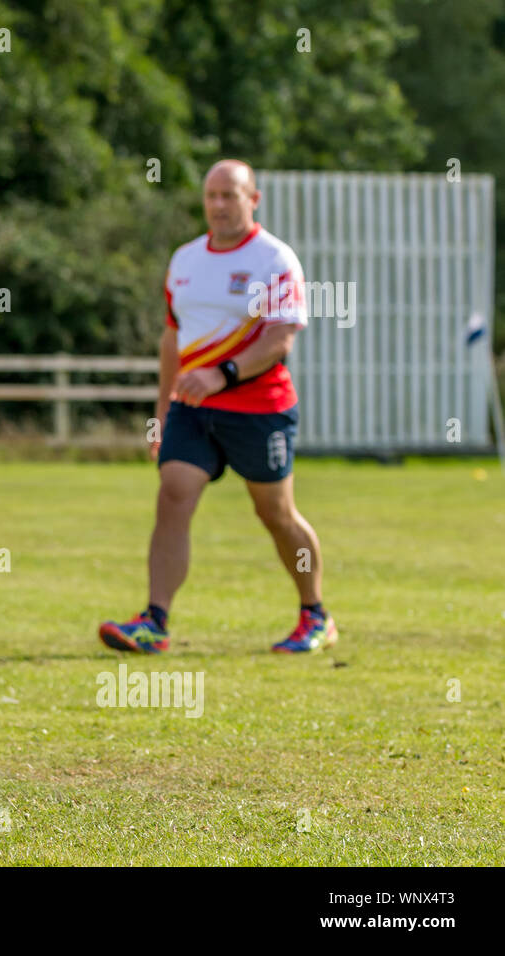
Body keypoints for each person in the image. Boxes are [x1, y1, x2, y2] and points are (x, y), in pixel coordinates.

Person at [99, 159, 337, 654]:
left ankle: (315, 615)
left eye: (230, 195)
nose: (220, 205)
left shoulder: (275, 260)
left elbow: (280, 339)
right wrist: (161, 414)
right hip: (191, 408)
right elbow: (171, 339)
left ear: (254, 199)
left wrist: (221, 374)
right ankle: (155, 621)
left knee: (275, 512)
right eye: (212, 196)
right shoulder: (185, 259)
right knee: (173, 493)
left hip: (260, 407)